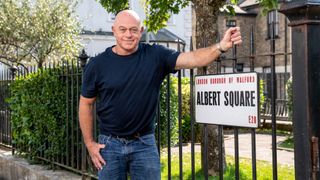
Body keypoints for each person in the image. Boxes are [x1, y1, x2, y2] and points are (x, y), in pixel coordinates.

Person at [79, 9, 242, 180]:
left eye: (134, 30)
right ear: (114, 30)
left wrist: (221, 46)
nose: (128, 34)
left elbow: (193, 58)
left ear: (141, 31)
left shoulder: (155, 55)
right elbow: (86, 104)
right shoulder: (97, 65)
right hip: (109, 145)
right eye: (122, 29)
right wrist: (90, 144)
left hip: (144, 144)